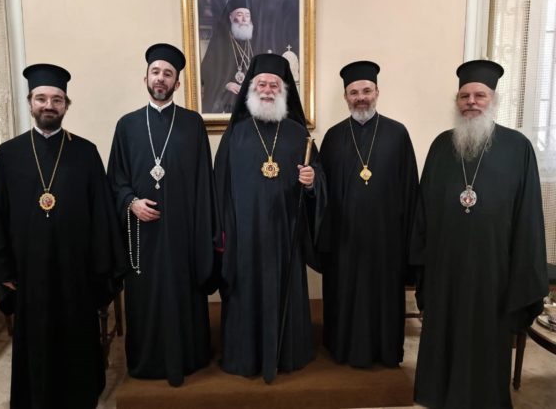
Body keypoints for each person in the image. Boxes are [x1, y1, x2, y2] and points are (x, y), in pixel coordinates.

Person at [0, 63, 127, 409]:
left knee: (77, 334)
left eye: (57, 99)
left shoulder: (86, 153)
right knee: (36, 338)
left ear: (66, 105)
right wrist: (3, 269)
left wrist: (100, 267)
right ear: (30, 102)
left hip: (76, 270)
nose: (49, 105)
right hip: (28, 273)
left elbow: (102, 215)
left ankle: (80, 395)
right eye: (42, 98)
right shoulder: (9, 154)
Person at [410, 59, 548, 408]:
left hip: (494, 272)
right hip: (445, 269)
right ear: (457, 101)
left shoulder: (518, 148)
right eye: (464, 96)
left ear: (493, 99)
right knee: (443, 337)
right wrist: (422, 265)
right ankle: (440, 396)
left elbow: (528, 216)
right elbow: (423, 211)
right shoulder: (441, 146)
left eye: (479, 95)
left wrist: (522, 277)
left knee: (487, 343)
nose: (471, 102)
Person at [107, 43, 218, 387]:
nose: (160, 78)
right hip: (143, 234)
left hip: (183, 231)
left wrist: (203, 231)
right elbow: (115, 179)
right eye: (155, 72)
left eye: (168, 74)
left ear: (177, 83)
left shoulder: (192, 123)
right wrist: (131, 202)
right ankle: (148, 360)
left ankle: (189, 357)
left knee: (182, 292)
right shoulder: (127, 125)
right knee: (147, 296)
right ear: (145, 78)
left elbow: (204, 181)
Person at [214, 53, 326, 383]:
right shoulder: (235, 135)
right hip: (244, 236)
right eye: (261, 84)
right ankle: (246, 357)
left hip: (285, 235)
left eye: (273, 85)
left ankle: (288, 354)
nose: (266, 90)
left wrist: (312, 182)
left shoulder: (299, 135)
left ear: (283, 90)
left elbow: (318, 179)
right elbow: (219, 188)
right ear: (251, 89)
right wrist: (225, 232)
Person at [317, 61, 418, 368]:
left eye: (366, 91)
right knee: (345, 293)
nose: (360, 97)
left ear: (377, 92)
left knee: (382, 295)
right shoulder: (333, 137)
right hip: (344, 240)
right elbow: (321, 191)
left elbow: (410, 190)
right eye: (354, 92)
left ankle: (385, 351)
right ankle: (344, 348)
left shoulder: (397, 134)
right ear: (345, 97)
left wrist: (408, 242)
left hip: (386, 239)